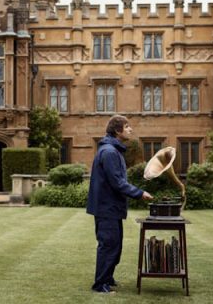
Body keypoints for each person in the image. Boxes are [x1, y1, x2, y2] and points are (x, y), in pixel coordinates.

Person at [86, 115, 153, 293]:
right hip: (106, 207)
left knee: (115, 245)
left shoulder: (113, 150)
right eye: (127, 126)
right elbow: (117, 182)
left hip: (111, 207)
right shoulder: (109, 152)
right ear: (117, 131)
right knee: (108, 245)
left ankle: (107, 277)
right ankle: (100, 285)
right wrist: (140, 193)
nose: (130, 129)